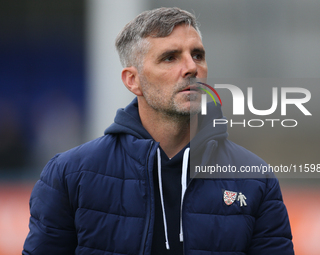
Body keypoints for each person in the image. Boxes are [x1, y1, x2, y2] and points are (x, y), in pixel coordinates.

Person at [23, 7, 294, 255]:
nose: (191, 68)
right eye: (170, 58)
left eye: (197, 55)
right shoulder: (69, 175)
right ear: (133, 80)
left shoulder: (256, 179)